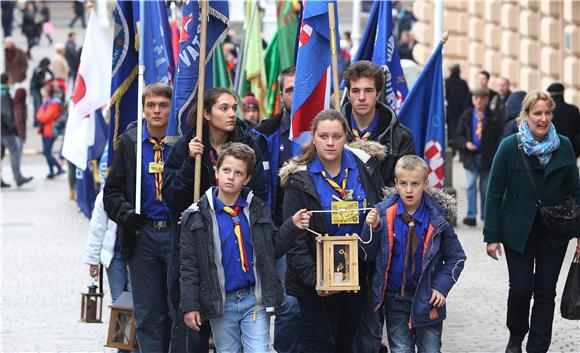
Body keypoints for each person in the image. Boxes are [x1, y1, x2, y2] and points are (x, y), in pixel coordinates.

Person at [163, 87, 267, 352]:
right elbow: (172, 198)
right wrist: (189, 162)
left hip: (236, 250)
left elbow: (261, 192)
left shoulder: (247, 143)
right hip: (198, 250)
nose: (232, 114)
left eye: (234, 107)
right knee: (195, 333)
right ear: (206, 114)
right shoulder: (187, 146)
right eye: (224, 108)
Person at [180, 142, 311, 353]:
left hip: (254, 299)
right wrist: (190, 305)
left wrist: (292, 226)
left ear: (247, 179)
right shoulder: (196, 216)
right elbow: (189, 267)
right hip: (222, 302)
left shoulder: (257, 209)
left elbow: (272, 249)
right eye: (226, 170)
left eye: (238, 173)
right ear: (217, 172)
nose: (231, 177)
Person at [279, 109, 385, 353]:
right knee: (318, 343)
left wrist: (376, 223)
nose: (330, 142)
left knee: (346, 342)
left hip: (357, 274)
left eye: (336, 136)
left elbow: (380, 208)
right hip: (314, 279)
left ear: (345, 137)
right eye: (323, 136)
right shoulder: (298, 177)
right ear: (313, 137)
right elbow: (294, 239)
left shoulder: (365, 167)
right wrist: (316, 279)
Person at [484, 90, 580, 353]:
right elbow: (493, 193)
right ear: (525, 116)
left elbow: (576, 190)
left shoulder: (564, 145)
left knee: (546, 292)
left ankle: (538, 347)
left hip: (554, 232)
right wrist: (492, 236)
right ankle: (516, 335)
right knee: (521, 290)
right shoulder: (509, 146)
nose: (543, 118)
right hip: (518, 231)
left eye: (548, 113)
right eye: (537, 113)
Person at [362, 155, 466, 353]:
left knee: (431, 349)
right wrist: (372, 229)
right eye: (403, 183)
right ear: (396, 184)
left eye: (415, 184)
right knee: (401, 349)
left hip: (428, 300)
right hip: (395, 300)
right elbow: (366, 255)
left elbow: (456, 257)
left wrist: (441, 287)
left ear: (425, 184)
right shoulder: (383, 215)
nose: (409, 190)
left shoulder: (437, 219)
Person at [104, 83, 174, 352]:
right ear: (143, 108)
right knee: (146, 313)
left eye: (163, 105)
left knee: (175, 309)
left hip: (174, 234)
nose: (156, 111)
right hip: (142, 237)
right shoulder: (130, 143)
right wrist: (126, 214)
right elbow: (111, 192)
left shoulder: (181, 142)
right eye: (151, 105)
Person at [253, 66, 302, 353]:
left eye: (301, 88)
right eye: (289, 90)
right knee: (290, 306)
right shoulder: (265, 134)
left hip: (321, 234)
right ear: (281, 94)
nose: (295, 96)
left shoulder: (327, 131)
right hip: (282, 235)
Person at [342, 60, 415, 185]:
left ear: (378, 94)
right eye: (355, 91)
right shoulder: (333, 133)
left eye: (368, 90)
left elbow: (405, 185)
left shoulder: (400, 136)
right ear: (348, 94)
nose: (361, 97)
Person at [454, 88, 503, 226]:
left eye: (482, 98)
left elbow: (499, 137)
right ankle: (471, 215)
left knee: (485, 188)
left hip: (487, 157)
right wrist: (466, 144)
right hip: (471, 156)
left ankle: (485, 216)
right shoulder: (467, 115)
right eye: (476, 98)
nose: (479, 101)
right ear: (472, 100)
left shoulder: (493, 116)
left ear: (487, 100)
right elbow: (458, 136)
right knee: (470, 185)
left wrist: (495, 154)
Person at [84, 190, 131, 303]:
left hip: (136, 254)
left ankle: (132, 321)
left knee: (135, 298)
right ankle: (120, 321)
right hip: (114, 254)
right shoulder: (105, 195)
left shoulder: (138, 191)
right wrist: (93, 260)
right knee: (118, 300)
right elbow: (97, 229)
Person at [1, 73, 33, 187]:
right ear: (7, 80)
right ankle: (18, 178)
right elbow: (6, 114)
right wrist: (13, 128)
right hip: (5, 130)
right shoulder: (4, 94)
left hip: (3, 129)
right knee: (15, 152)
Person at [36, 84, 65, 179]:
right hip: (44, 131)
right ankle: (51, 171)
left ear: (48, 93)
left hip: (50, 131)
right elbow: (39, 115)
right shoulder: (46, 103)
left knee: (46, 152)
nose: (42, 94)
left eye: (44, 92)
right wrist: (40, 116)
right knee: (47, 152)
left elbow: (44, 117)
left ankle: (59, 168)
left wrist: (40, 116)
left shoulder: (54, 104)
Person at [546, 83, 580, 157]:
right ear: (563, 93)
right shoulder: (574, 110)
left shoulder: (547, 111)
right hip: (571, 152)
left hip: (552, 153)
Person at [445, 63, 471, 151]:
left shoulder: (446, 82)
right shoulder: (463, 83)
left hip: (450, 112)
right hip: (460, 111)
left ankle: (453, 147)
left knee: (451, 131)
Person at [30, 58, 54, 125]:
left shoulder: (42, 68)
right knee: (37, 104)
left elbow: (51, 73)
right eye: (47, 65)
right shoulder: (39, 70)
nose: (47, 67)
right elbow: (38, 82)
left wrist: (52, 78)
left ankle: (37, 121)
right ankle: (36, 121)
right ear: (45, 64)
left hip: (37, 89)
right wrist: (46, 82)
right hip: (34, 89)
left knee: (39, 104)